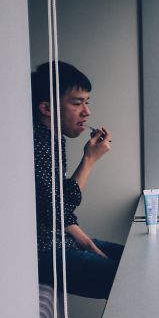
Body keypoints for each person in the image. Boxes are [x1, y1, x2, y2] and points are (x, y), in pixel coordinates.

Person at [32, 61, 122, 299]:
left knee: (134, 259)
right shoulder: (37, 143)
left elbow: (53, 204)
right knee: (131, 279)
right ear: (46, 108)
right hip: (45, 250)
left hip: (60, 240)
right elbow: (57, 211)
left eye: (87, 102)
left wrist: (85, 241)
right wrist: (89, 160)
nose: (87, 112)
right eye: (77, 103)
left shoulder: (52, 138)